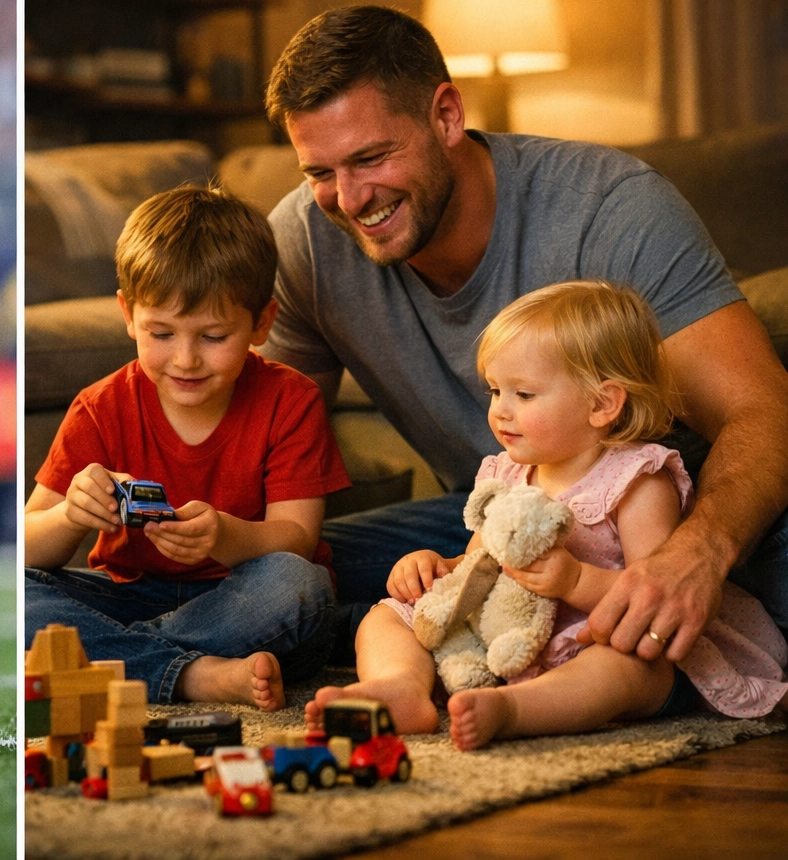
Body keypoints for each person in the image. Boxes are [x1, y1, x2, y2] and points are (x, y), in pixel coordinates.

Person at [262, 5, 788, 668]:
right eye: (318, 172)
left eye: (370, 158)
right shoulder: (306, 241)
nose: (349, 198)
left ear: (446, 115)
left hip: (656, 516)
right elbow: (258, 441)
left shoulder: (612, 206)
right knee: (277, 586)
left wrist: (695, 556)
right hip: (490, 519)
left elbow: (762, 407)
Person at [309, 281, 788, 749]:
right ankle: (401, 687)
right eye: (496, 391)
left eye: (524, 394)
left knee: (628, 669)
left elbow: (650, 597)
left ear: (602, 404)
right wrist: (438, 567)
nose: (500, 412)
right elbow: (483, 562)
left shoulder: (638, 482)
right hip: (507, 633)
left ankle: (518, 710)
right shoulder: (508, 473)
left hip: (594, 638)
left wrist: (574, 580)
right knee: (386, 616)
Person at [25, 187, 351, 711]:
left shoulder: (291, 400)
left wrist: (224, 535)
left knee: (299, 586)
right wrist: (69, 515)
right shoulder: (99, 407)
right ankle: (194, 676)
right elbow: (26, 546)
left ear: (261, 323)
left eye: (214, 336)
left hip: (245, 599)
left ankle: (116, 655)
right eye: (160, 332)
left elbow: (297, 539)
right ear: (127, 314)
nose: (185, 359)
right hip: (130, 593)